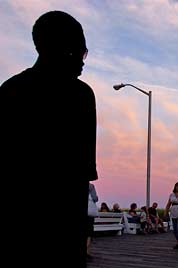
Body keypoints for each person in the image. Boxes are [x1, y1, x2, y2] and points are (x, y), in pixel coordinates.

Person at [0, 11, 97, 267]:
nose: (83, 61)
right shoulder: (81, 96)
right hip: (62, 230)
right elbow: (80, 173)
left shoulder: (9, 91)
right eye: (81, 52)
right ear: (66, 50)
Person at [87, 183, 98, 260]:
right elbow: (95, 198)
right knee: (88, 233)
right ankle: (86, 252)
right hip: (88, 214)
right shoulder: (90, 186)